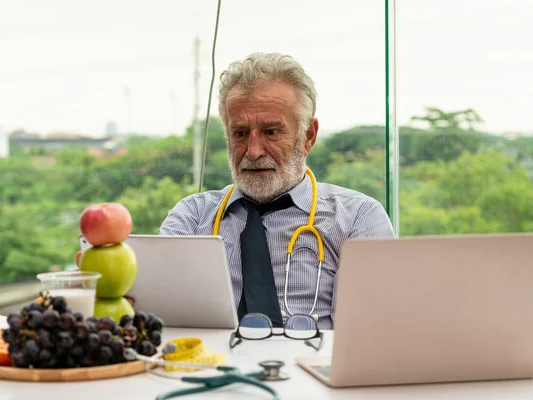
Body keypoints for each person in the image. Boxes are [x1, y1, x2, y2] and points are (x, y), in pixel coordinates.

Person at [159, 52, 394, 329]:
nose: (253, 151)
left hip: (310, 368)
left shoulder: (358, 218)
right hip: (213, 367)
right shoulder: (193, 216)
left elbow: (367, 336)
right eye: (240, 133)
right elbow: (161, 318)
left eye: (271, 132)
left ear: (308, 136)